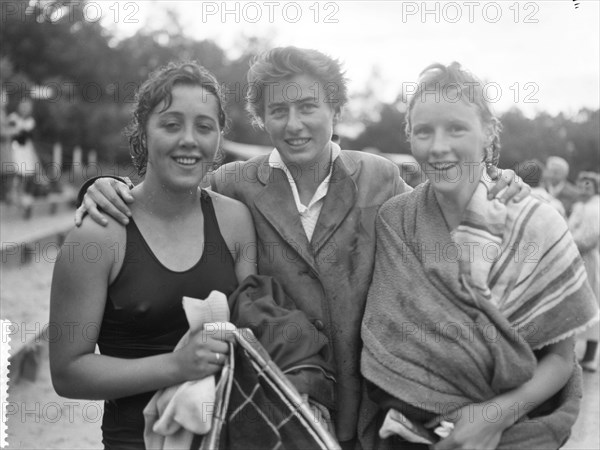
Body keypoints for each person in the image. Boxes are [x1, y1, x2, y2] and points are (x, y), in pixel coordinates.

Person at [73, 47, 530, 449]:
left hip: (365, 410)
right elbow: (170, 197)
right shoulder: (232, 185)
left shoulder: (380, 177)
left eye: (309, 106)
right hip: (275, 414)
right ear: (261, 118)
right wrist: (102, 186)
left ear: (335, 108)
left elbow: (439, 208)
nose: (294, 125)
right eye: (278, 111)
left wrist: (493, 179)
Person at [360, 62, 599, 450]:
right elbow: (385, 340)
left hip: (515, 429)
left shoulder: (536, 222)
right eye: (424, 131)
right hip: (408, 432)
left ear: (487, 132)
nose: (438, 147)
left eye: (456, 128)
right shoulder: (396, 220)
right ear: (410, 137)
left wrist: (489, 419)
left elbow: (560, 358)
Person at [49, 62, 257, 449]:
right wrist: (175, 367)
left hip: (226, 438)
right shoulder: (98, 236)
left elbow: (253, 333)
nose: (189, 140)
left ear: (219, 137)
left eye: (204, 127)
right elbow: (67, 372)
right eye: (172, 124)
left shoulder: (235, 221)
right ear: (144, 133)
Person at [568, 171, 600, 372]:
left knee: (591, 304)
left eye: (589, 185)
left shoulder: (596, 208)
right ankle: (567, 354)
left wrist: (568, 246)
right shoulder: (578, 206)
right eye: (582, 185)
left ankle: (590, 356)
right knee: (572, 305)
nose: (584, 188)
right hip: (572, 257)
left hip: (586, 259)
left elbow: (590, 239)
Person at [7, 97, 40, 218]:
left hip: (26, 153)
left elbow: (27, 137)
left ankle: (25, 204)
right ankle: (15, 200)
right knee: (16, 177)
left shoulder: (30, 122)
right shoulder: (13, 118)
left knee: (27, 178)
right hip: (15, 151)